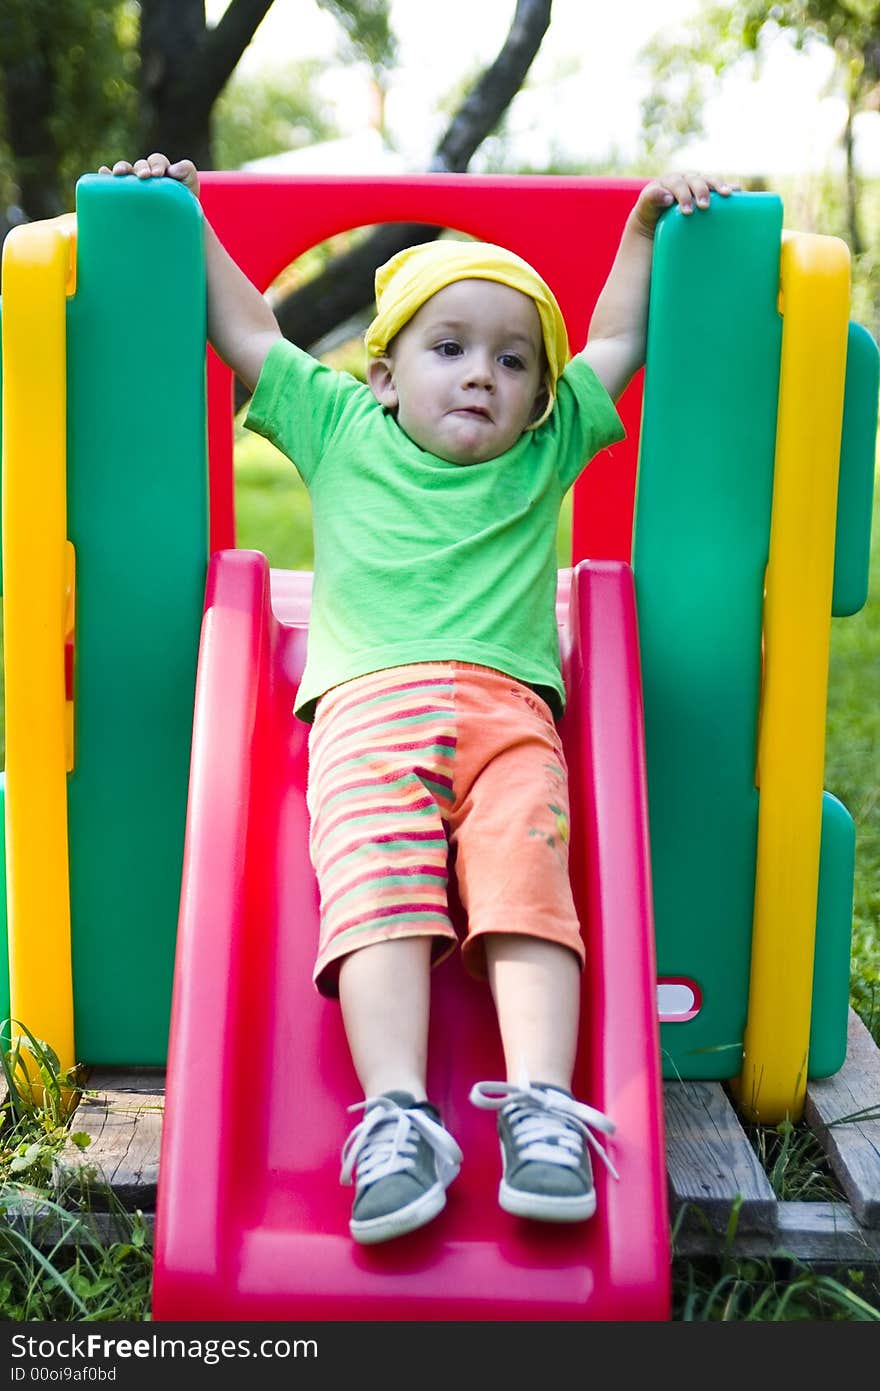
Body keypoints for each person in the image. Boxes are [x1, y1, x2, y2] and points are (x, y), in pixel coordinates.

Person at [101, 154, 729, 1246]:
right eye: (448, 349)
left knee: (527, 886)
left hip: (511, 724)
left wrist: (640, 234)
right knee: (376, 893)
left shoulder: (543, 451)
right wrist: (183, 215)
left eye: (512, 357)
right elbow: (250, 333)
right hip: (368, 718)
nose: (481, 374)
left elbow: (618, 343)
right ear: (385, 374)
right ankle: (396, 1115)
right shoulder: (341, 428)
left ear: (541, 390)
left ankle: (541, 1107)